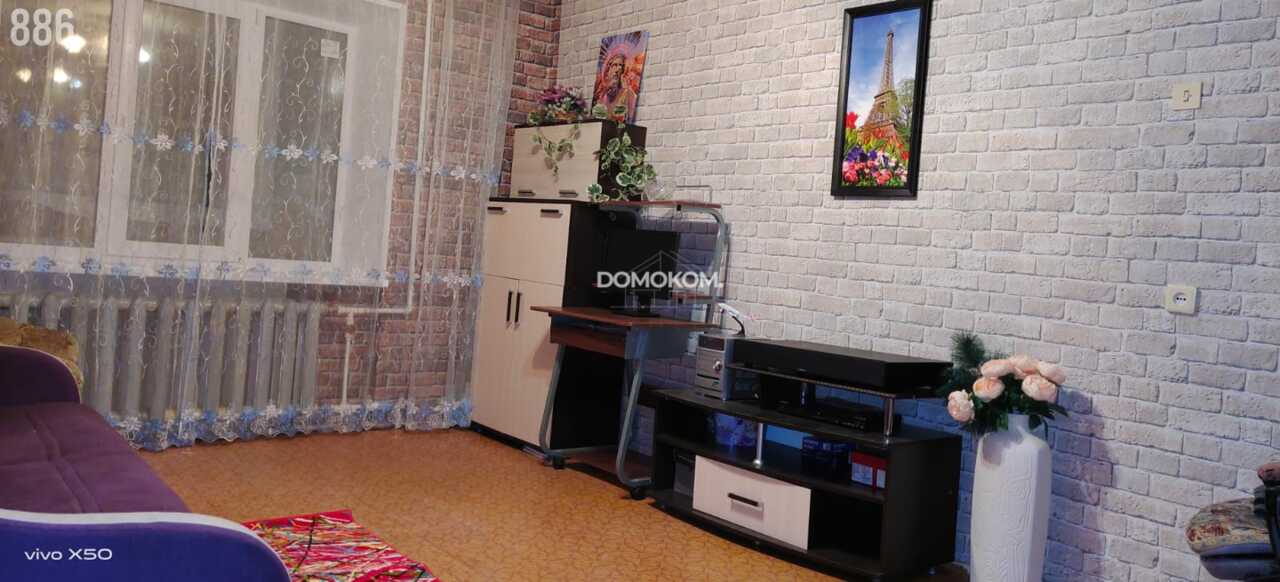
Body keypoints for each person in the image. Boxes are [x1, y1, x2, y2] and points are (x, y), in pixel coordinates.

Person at [594, 53, 637, 123]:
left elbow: (630, 117)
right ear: (608, 69)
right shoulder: (603, 93)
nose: (618, 69)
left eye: (621, 66)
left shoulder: (628, 92)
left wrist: (626, 90)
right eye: (615, 65)